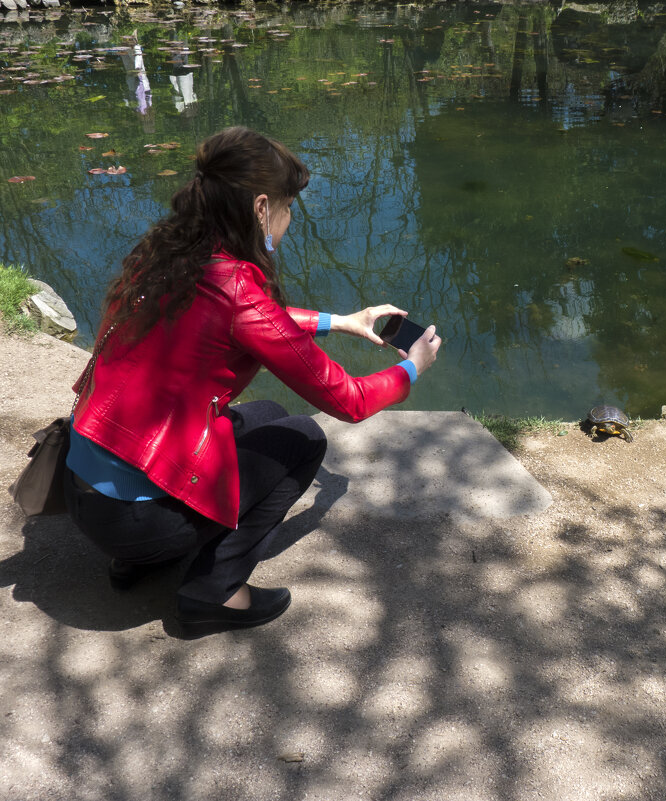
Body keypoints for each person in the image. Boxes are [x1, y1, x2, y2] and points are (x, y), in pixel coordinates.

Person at [63, 126, 441, 638]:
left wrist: (343, 321)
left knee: (264, 415)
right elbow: (348, 401)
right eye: (287, 208)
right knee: (304, 439)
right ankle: (212, 591)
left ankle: (137, 562)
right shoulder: (238, 288)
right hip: (134, 522)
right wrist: (412, 367)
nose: (287, 220)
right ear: (262, 207)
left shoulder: (166, 255)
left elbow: (250, 320)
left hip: (83, 492)